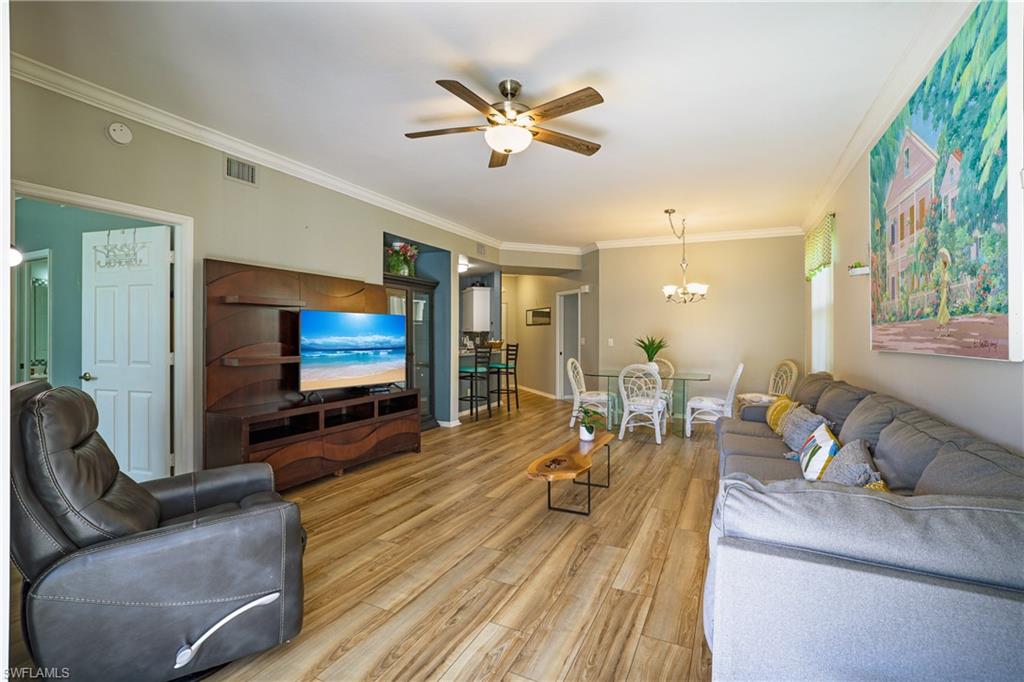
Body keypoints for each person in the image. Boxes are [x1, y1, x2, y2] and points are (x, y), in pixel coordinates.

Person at [936, 248, 951, 335]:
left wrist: (944, 284)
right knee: (943, 309)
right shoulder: (942, 270)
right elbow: (942, 281)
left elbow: (946, 281)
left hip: (944, 290)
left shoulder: (946, 271)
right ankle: (946, 331)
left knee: (942, 307)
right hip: (942, 290)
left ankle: (942, 330)